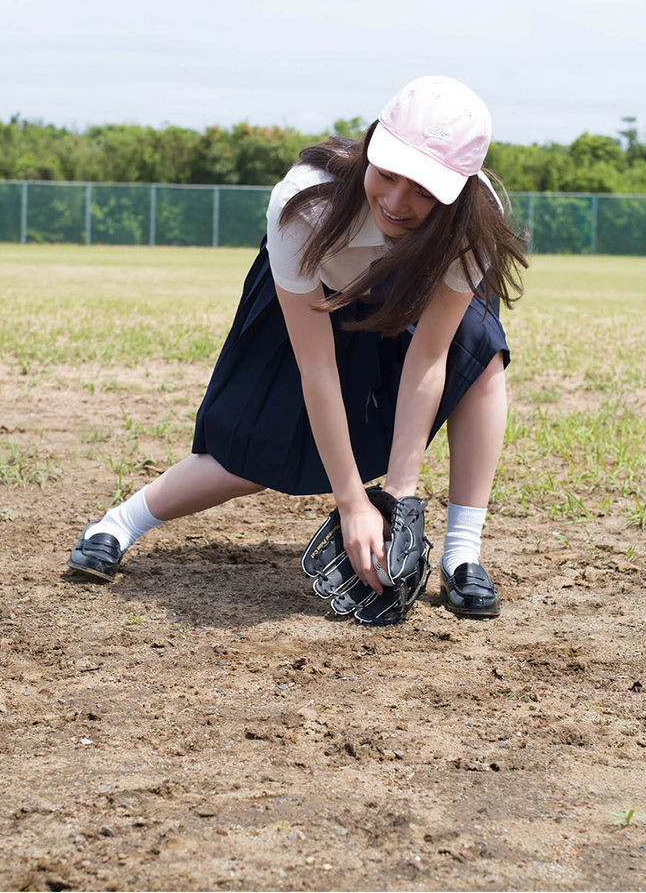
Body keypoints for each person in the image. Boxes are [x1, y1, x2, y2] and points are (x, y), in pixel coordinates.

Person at [65, 76, 527, 622]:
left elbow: (428, 357)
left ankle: (462, 555)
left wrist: (397, 500)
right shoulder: (305, 202)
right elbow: (317, 367)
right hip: (319, 298)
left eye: (425, 190)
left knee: (478, 357)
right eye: (388, 175)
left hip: (412, 295)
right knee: (259, 448)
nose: (398, 203)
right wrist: (353, 502)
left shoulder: (472, 223)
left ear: (457, 190)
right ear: (371, 147)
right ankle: (117, 525)